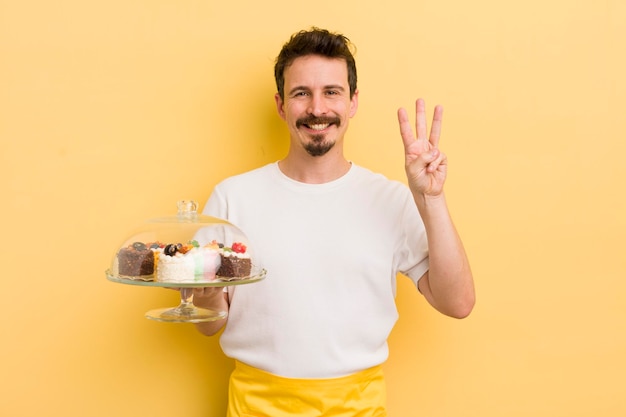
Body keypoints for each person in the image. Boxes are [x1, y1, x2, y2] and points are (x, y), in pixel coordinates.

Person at [191, 27, 475, 416]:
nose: (317, 108)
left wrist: (432, 198)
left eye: (332, 92)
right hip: (255, 406)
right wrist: (202, 288)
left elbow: (458, 302)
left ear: (353, 102)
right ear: (280, 104)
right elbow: (209, 324)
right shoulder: (232, 197)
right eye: (301, 93)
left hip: (358, 408)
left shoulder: (391, 198)